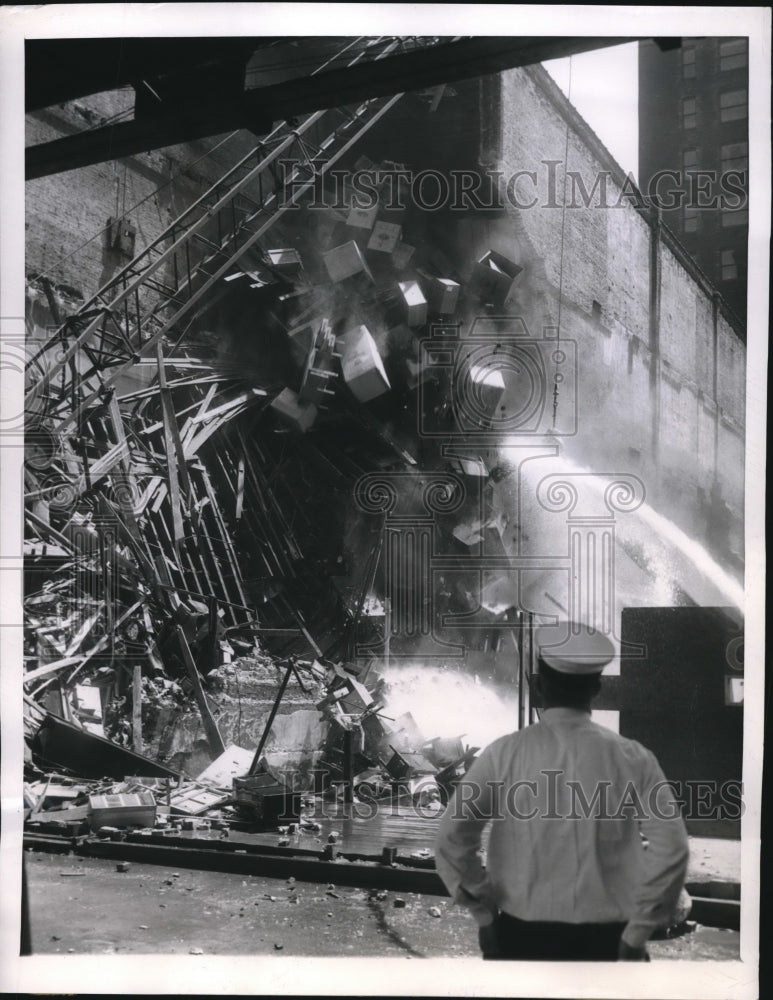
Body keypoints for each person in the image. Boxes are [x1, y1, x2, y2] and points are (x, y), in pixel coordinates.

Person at [434, 622, 690, 961]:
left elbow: (452, 839)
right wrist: (637, 932)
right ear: (597, 686)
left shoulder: (503, 754)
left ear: (539, 686)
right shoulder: (635, 758)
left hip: (521, 937)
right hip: (610, 940)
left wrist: (485, 917)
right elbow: (672, 850)